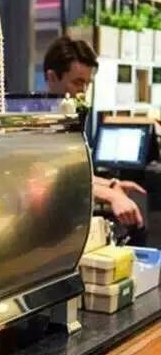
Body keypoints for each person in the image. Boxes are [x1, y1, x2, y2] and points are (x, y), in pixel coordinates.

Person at [43, 36, 145, 229]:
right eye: (77, 82)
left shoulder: (66, 121)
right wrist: (111, 195)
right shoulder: (37, 123)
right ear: (52, 78)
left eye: (87, 84)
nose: (83, 92)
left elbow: (72, 175)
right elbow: (52, 180)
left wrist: (112, 184)